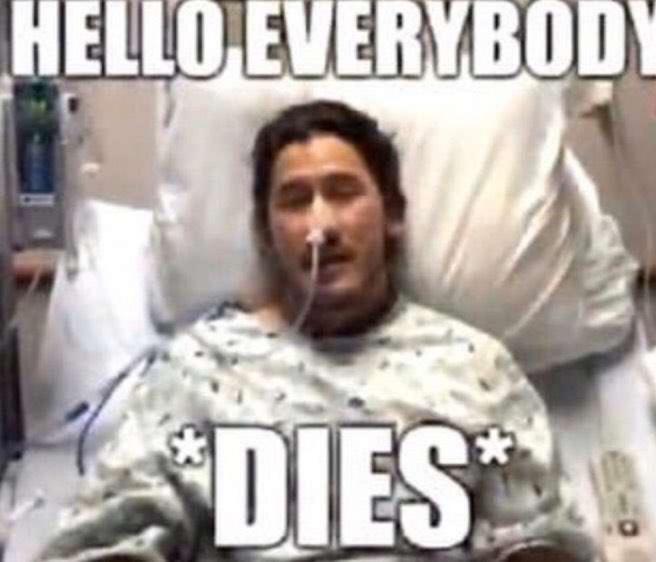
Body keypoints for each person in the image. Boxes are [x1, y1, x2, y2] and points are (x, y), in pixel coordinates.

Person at [37, 101, 594, 562]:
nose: (320, 226)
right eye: (295, 200)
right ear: (266, 232)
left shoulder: (474, 368)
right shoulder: (199, 370)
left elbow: (537, 537)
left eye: (343, 192)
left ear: (392, 216)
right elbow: (112, 536)